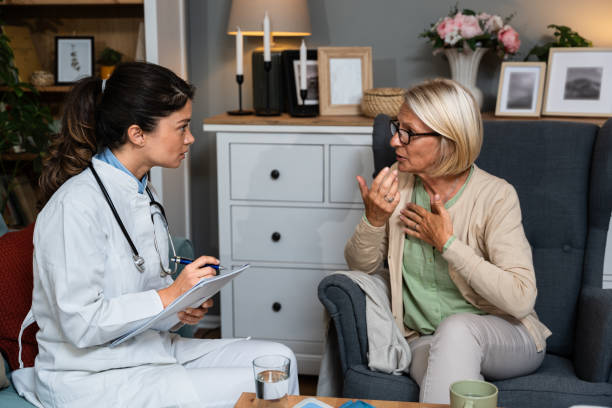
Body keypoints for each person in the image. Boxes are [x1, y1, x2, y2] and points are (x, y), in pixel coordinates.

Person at [11, 62, 298, 408]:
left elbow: (141, 296)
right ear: (137, 134)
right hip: (91, 376)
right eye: (182, 127)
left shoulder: (143, 193)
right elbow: (80, 323)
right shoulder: (73, 206)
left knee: (280, 359)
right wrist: (168, 296)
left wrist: (179, 309)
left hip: (150, 351)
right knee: (258, 381)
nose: (190, 138)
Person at [345, 78, 551, 404]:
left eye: (408, 132)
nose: (396, 141)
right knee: (450, 374)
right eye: (397, 127)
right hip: (425, 339)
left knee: (457, 330)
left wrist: (448, 244)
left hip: (508, 335)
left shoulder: (496, 196)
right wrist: (374, 220)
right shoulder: (395, 186)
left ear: (449, 141)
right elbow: (360, 267)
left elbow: (520, 300)